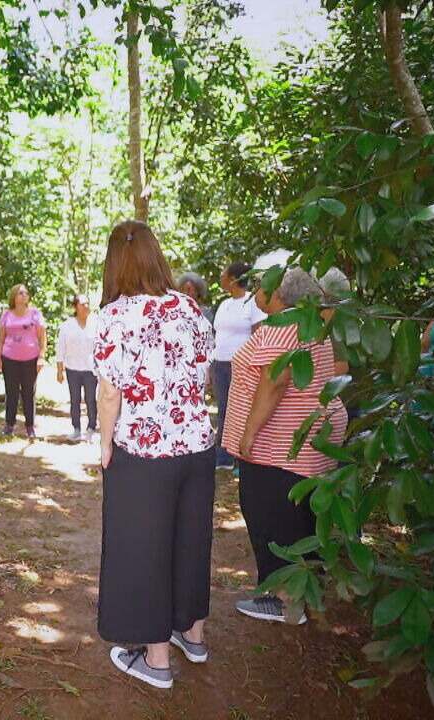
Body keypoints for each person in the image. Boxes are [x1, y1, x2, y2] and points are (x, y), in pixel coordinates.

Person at [93, 220, 215, 690]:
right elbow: (202, 377)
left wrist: (106, 444)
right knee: (190, 538)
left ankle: (157, 662)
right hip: (197, 446)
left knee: (146, 547)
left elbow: (109, 393)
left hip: (144, 451)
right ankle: (194, 634)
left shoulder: (114, 316)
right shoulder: (189, 308)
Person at [221, 267, 348, 626]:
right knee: (298, 515)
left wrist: (248, 434)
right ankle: (300, 592)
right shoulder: (310, 325)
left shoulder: (283, 327)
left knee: (270, 515)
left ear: (280, 296)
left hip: (278, 444)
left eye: (265, 286)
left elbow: (275, 381)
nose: (259, 290)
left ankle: (284, 600)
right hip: (305, 441)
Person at [210, 262, 266, 470]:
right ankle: (223, 456)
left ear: (233, 279)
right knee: (224, 409)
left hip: (241, 366)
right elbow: (217, 335)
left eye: (224, 274)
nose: (221, 277)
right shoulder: (224, 304)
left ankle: (239, 458)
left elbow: (258, 333)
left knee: (241, 409)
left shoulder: (251, 302)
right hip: (220, 364)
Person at [0, 284, 46, 438]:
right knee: (11, 392)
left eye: (26, 293)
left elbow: (42, 337)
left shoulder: (35, 314)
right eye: (21, 293)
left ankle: (30, 426)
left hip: (30, 359)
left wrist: (41, 357)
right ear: (14, 297)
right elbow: (0, 338)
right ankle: (9, 425)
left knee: (29, 393)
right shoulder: (7, 315)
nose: (24, 295)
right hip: (9, 358)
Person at [55, 294, 98, 442]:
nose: (86, 307)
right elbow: (60, 349)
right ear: (75, 307)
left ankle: (91, 428)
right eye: (82, 304)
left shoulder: (95, 324)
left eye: (87, 304)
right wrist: (59, 371)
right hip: (72, 369)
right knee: (75, 400)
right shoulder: (67, 326)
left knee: (91, 399)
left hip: (90, 370)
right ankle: (76, 429)